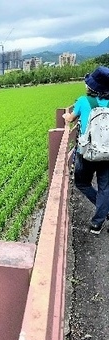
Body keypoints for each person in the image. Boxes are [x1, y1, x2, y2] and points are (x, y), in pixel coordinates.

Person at [64, 65, 109, 234]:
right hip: (108, 152)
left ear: (91, 86)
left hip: (87, 152)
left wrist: (65, 116)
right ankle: (97, 223)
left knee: (82, 183)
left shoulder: (83, 101)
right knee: (106, 187)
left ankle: (104, 211)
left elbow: (70, 118)